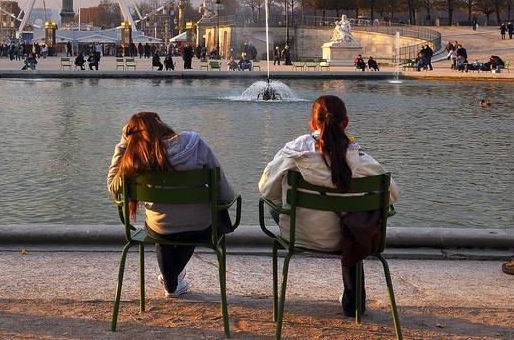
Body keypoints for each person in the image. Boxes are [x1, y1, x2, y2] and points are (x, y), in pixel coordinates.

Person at [258, 95, 400, 318]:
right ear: (346, 123)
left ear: (313, 123)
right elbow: (392, 195)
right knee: (356, 220)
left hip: (300, 234)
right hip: (349, 238)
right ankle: (353, 302)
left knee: (274, 204)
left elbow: (266, 189)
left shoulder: (293, 153)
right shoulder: (361, 159)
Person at [107, 112, 236, 298]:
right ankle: (172, 281)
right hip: (200, 227)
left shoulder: (136, 158)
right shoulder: (195, 144)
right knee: (197, 218)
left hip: (161, 228)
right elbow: (226, 194)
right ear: (161, 124)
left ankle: (171, 283)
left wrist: (122, 144)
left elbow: (113, 187)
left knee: (161, 225)